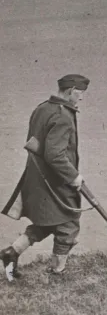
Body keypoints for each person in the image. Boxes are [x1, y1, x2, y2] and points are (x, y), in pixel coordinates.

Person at [1, 74, 91, 277]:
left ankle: (11, 252)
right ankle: (58, 271)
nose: (82, 98)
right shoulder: (63, 116)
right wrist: (73, 176)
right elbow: (55, 155)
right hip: (55, 180)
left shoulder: (42, 108)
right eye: (80, 93)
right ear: (70, 91)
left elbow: (32, 141)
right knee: (68, 222)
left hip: (38, 177)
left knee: (50, 221)